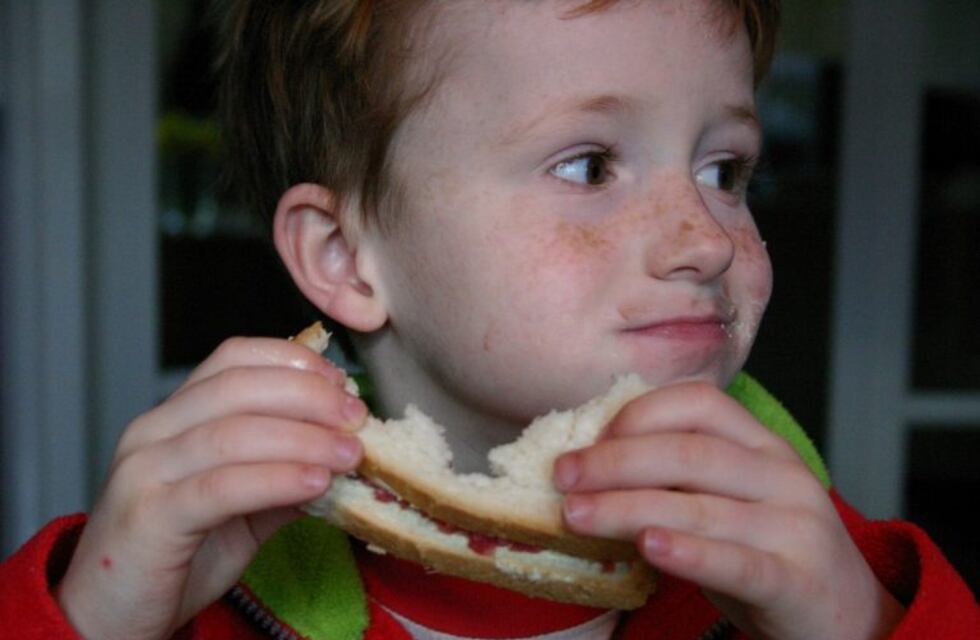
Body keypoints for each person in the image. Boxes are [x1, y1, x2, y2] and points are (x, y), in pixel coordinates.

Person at [2, 1, 977, 638]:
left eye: (723, 170)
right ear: (346, 258)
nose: (705, 239)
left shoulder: (812, 568)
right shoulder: (196, 582)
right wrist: (92, 617)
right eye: (589, 165)